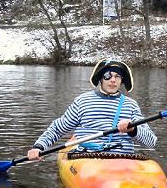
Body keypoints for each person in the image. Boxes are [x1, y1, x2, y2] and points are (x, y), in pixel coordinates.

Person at [27, 59, 157, 161]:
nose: (113, 80)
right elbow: (57, 129)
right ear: (100, 78)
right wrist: (38, 147)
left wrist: (133, 130)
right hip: (86, 158)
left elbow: (151, 142)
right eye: (108, 75)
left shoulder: (131, 105)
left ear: (122, 81)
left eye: (117, 76)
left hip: (123, 160)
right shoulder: (82, 101)